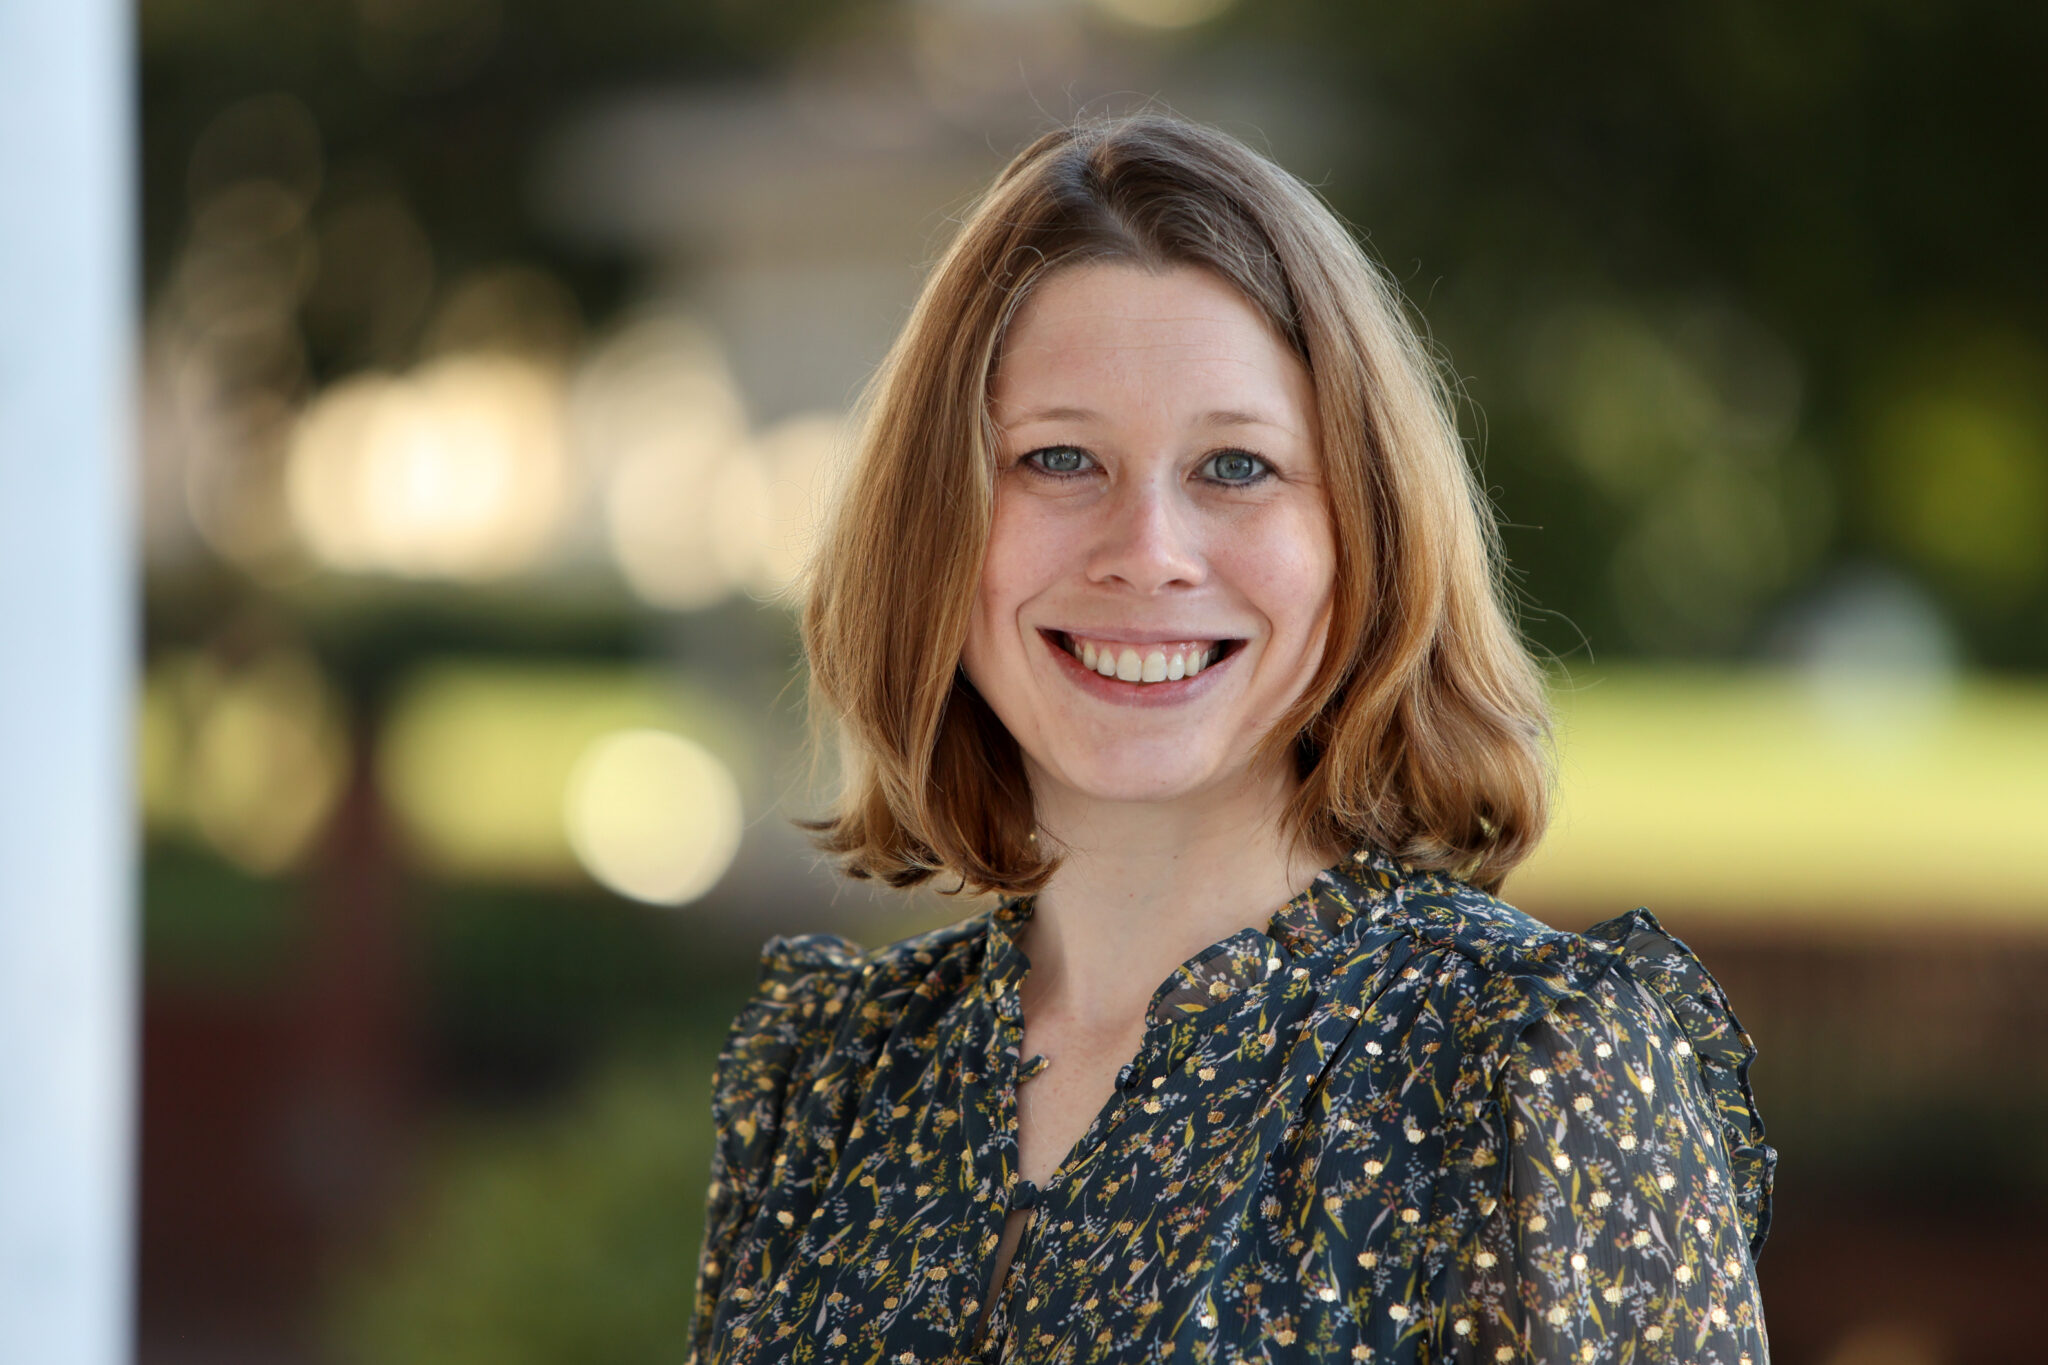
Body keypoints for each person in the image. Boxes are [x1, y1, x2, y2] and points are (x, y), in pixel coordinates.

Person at [686, 114, 1774, 1365]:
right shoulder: (828, 1078)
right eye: (1056, 457)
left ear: (1364, 532)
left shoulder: (1526, 1069)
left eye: (1235, 467)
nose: (1146, 553)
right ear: (934, 520)